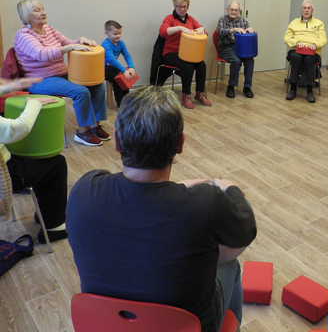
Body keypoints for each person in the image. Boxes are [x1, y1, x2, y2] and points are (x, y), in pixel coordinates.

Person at [66, 86, 257, 332]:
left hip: (104, 325)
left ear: (117, 141)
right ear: (180, 143)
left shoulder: (84, 190)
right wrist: (229, 187)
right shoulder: (207, 203)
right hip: (191, 327)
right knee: (228, 263)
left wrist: (180, 188)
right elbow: (246, 229)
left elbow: (138, 204)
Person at [13, 0, 110, 147]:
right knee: (81, 91)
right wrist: (70, 47)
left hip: (61, 74)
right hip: (40, 79)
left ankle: (95, 126)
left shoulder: (50, 30)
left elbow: (69, 42)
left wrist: (80, 40)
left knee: (97, 85)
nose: (43, 12)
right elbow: (41, 54)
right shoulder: (24, 36)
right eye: (37, 10)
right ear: (26, 16)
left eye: (43, 9)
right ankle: (83, 132)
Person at [0, 77, 68, 244]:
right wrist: (34, 104)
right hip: (3, 177)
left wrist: (12, 86)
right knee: (56, 164)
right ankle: (54, 227)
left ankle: (46, 212)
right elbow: (19, 128)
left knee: (37, 160)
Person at [159, 0, 212, 109]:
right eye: (179, 6)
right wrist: (180, 28)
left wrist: (202, 29)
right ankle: (186, 94)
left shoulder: (190, 19)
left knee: (201, 65)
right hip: (171, 53)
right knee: (188, 67)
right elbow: (162, 32)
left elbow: (205, 32)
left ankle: (200, 93)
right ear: (175, 6)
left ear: (188, 7)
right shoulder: (169, 18)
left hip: (187, 53)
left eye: (185, 6)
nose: (182, 9)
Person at [284, 0, 327, 103]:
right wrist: (296, 42)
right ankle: (293, 89)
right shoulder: (294, 23)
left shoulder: (319, 23)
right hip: (296, 49)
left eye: (309, 8)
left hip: (313, 51)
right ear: (301, 10)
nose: (306, 10)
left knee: (308, 59)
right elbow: (286, 38)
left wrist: (315, 44)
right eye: (304, 8)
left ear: (312, 10)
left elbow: (323, 39)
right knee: (296, 57)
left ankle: (309, 90)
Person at [216, 1, 255, 99]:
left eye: (236, 10)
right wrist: (233, 30)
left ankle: (247, 87)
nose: (233, 12)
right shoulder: (222, 20)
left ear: (239, 11)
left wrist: (249, 29)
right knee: (236, 61)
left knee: (250, 61)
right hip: (225, 48)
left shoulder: (243, 21)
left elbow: (249, 34)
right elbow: (220, 33)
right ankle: (231, 86)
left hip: (240, 48)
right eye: (231, 9)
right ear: (227, 10)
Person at [102, 20, 136, 107]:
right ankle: (121, 104)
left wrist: (131, 67)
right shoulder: (106, 44)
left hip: (112, 67)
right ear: (107, 33)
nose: (118, 36)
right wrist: (124, 71)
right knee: (118, 80)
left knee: (125, 78)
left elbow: (127, 56)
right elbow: (112, 60)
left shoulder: (121, 43)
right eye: (115, 34)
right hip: (103, 69)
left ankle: (127, 101)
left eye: (119, 33)